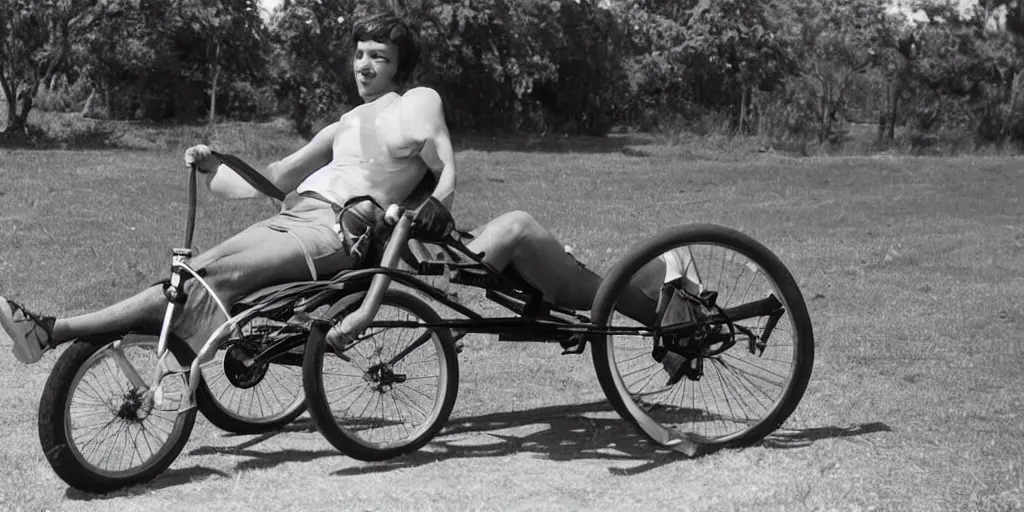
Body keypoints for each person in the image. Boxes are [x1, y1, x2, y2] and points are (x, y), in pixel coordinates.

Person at [2, 13, 708, 385]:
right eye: (359, 53)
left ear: (400, 65)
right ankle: (62, 330)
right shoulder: (340, 125)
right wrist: (216, 161)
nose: (364, 63)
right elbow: (268, 181)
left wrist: (443, 197)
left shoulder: (415, 103)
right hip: (295, 217)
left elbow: (443, 162)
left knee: (209, 284)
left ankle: (57, 329)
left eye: (378, 54)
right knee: (194, 277)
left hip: (345, 233)